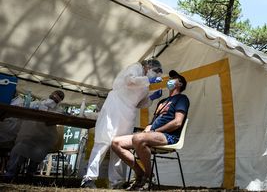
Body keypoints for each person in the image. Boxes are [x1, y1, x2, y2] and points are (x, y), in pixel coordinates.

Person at [81, 59, 164, 189]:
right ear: (148, 66)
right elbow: (129, 81)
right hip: (114, 108)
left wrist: (151, 98)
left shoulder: (145, 85)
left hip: (127, 114)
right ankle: (88, 179)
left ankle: (116, 182)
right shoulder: (135, 68)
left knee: (119, 147)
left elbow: (140, 103)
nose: (155, 76)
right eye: (155, 72)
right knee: (103, 142)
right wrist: (149, 80)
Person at [111, 70, 189, 191]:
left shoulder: (182, 99)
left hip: (168, 136)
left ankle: (148, 176)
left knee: (138, 138)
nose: (169, 80)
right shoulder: (162, 102)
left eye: (173, 78)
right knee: (115, 143)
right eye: (170, 78)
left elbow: (177, 122)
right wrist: (147, 131)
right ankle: (140, 174)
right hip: (153, 134)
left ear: (180, 84)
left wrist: (155, 131)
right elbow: (152, 124)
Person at [5, 90, 65, 178]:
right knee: (20, 148)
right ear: (51, 94)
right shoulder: (37, 103)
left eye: (59, 97)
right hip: (28, 136)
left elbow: (61, 116)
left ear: (60, 101)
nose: (56, 97)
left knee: (40, 151)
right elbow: (26, 108)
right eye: (56, 95)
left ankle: (30, 174)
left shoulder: (59, 110)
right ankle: (11, 174)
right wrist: (41, 106)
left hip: (44, 139)